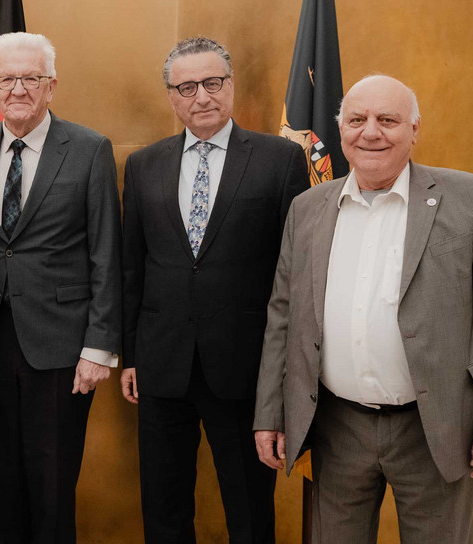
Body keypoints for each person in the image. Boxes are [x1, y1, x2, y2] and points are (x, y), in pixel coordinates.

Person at [254, 74, 473, 542]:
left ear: (414, 129)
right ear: (341, 131)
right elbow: (283, 315)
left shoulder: (469, 199)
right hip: (337, 429)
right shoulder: (307, 208)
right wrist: (271, 414)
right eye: (357, 120)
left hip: (437, 428)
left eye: (387, 120)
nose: (371, 132)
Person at [120, 37, 307, 543]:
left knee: (249, 513)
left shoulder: (280, 159)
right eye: (187, 87)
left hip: (244, 369)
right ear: (171, 96)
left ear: (230, 84)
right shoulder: (143, 165)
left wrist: (283, 373)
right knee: (163, 510)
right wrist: (131, 354)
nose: (201, 96)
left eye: (212, 82)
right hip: (161, 366)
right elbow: (132, 267)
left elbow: (295, 273)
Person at [0, 32, 121, 544]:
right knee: (0, 479)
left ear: (51, 85)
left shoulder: (89, 149)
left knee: (52, 484)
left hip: (63, 346)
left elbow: (107, 252)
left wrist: (99, 347)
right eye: (7, 79)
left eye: (31, 78)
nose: (18, 89)